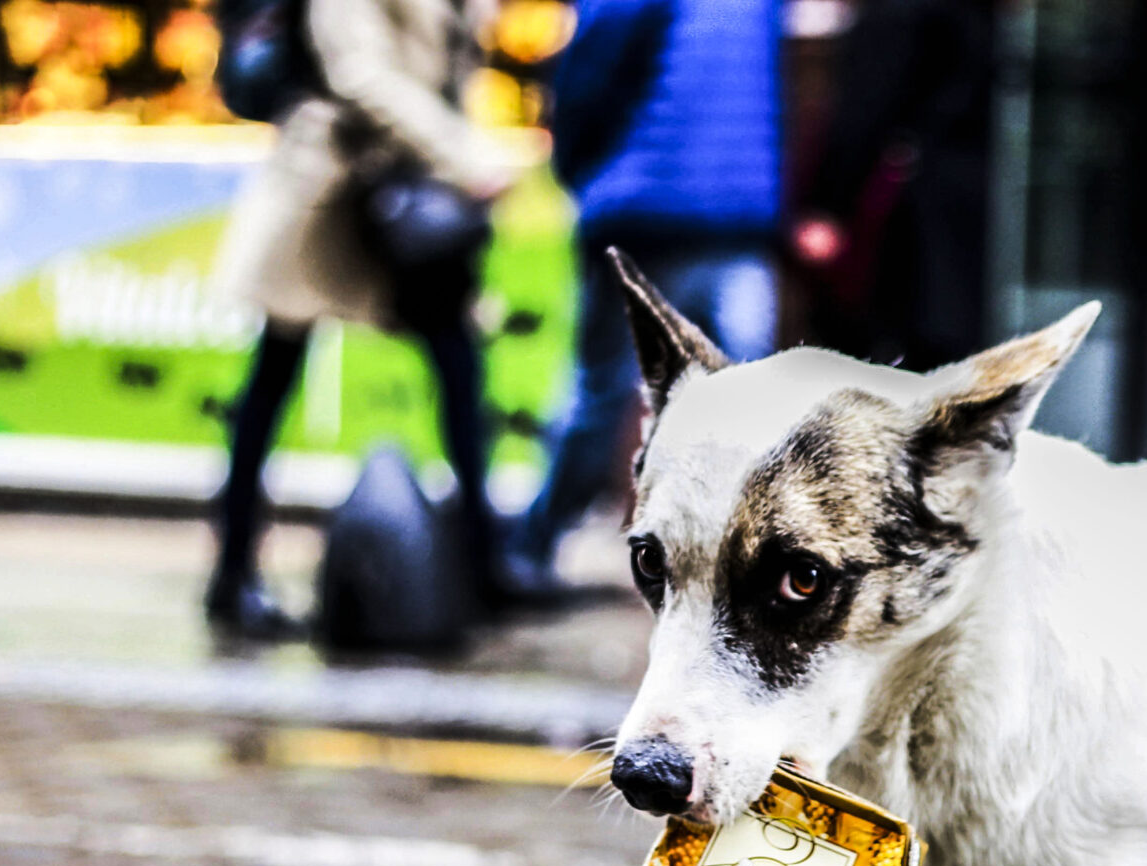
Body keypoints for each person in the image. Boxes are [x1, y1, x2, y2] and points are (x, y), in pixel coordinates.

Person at [208, 0, 522, 642]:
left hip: (409, 188)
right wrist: (466, 158)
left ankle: (485, 567)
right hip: (327, 183)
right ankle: (233, 575)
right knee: (273, 377)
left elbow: (450, 61)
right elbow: (358, 74)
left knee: (459, 367)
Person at [503, 0, 782, 594]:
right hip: (709, 213)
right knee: (741, 400)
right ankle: (754, 569)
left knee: (609, 392)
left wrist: (587, 179)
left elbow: (581, 87)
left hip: (667, 212)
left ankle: (536, 546)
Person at [792, 0, 995, 370]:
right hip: (966, 208)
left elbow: (864, 111)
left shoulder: (897, 14)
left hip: (914, 218)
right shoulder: (976, 16)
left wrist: (827, 207)